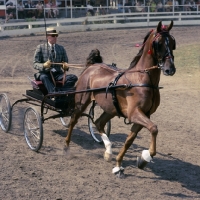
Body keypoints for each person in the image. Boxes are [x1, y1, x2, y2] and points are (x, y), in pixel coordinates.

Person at [33, 27, 78, 93]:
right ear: (47, 36)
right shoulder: (40, 47)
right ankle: (54, 93)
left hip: (58, 74)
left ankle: (61, 91)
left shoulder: (61, 48)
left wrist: (65, 66)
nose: (55, 37)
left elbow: (65, 62)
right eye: (53, 36)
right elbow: (35, 64)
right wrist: (44, 65)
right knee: (43, 77)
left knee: (73, 77)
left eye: (56, 35)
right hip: (45, 73)